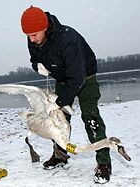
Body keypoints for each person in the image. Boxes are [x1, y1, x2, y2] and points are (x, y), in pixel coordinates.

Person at [21, 6, 111, 184]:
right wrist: (38, 66)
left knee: (91, 118)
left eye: (34, 34)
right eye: (28, 35)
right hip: (62, 80)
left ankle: (104, 164)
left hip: (85, 78)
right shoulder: (32, 38)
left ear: (45, 27)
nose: (32, 39)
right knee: (58, 120)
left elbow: (77, 79)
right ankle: (60, 155)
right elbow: (34, 58)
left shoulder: (67, 38)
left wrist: (60, 102)